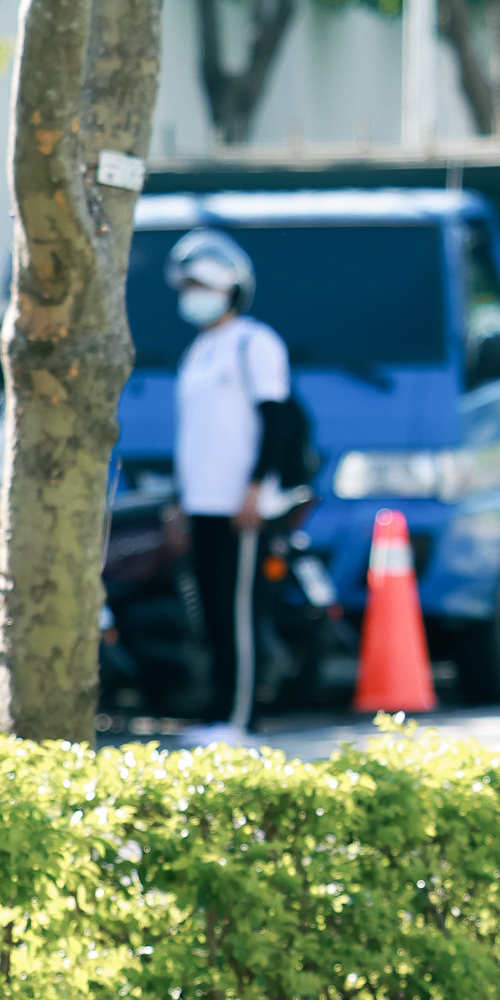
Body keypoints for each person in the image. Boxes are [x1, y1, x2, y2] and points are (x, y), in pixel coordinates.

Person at [166, 226, 297, 741]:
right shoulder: (199, 350)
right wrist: (181, 500)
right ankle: (219, 714)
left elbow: (276, 422)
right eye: (187, 287)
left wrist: (256, 487)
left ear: (230, 289)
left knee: (240, 611)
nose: (192, 296)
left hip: (241, 503)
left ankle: (241, 720)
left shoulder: (254, 343)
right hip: (201, 503)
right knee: (214, 611)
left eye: (201, 285)